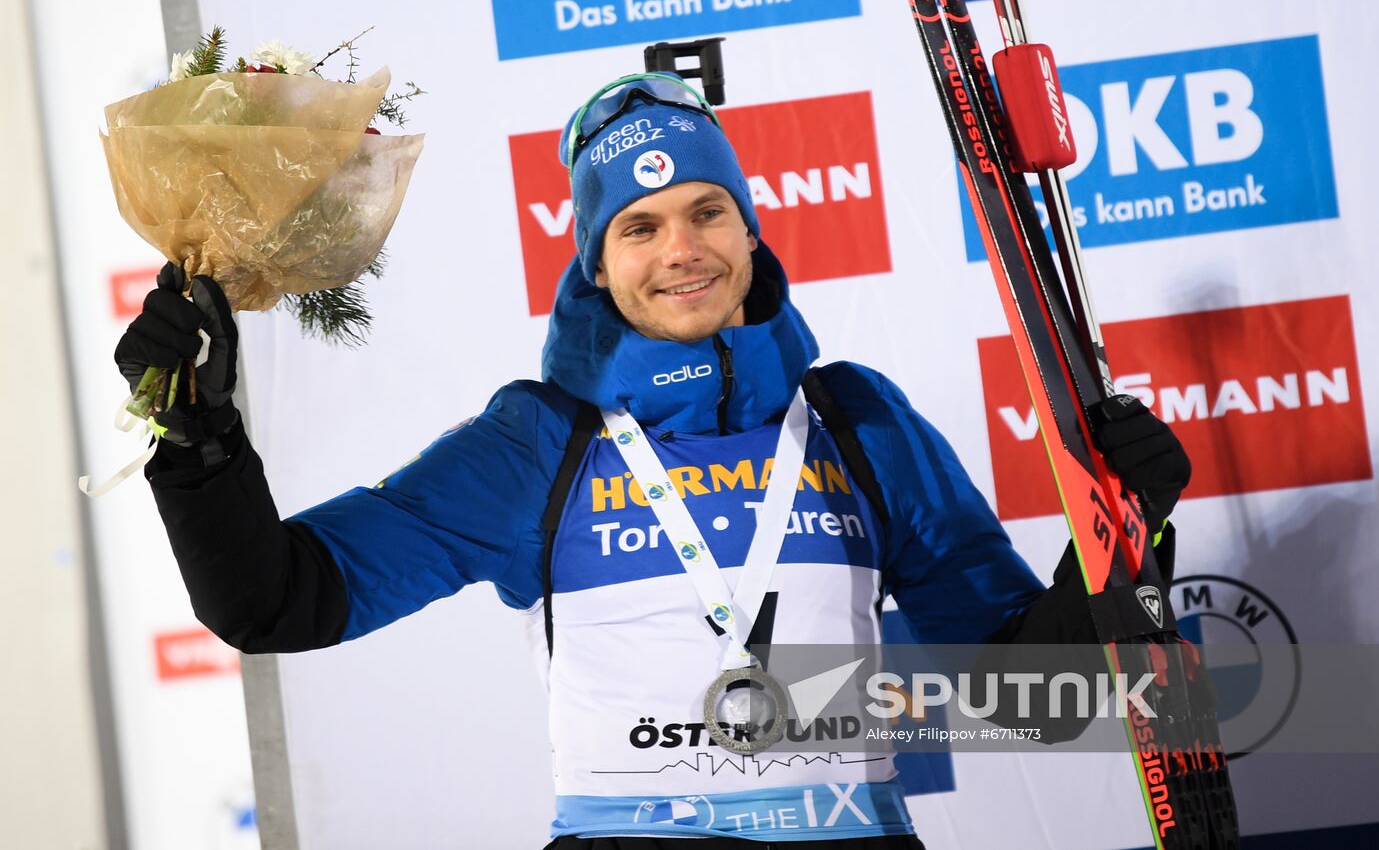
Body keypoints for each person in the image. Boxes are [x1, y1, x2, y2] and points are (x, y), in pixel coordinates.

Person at [115, 72, 1188, 848]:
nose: (681, 249)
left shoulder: (853, 421)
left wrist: (1121, 539)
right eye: (638, 226)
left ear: (749, 231)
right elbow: (277, 602)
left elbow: (1031, 699)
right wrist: (196, 435)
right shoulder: (541, 443)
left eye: (706, 212)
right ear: (593, 260)